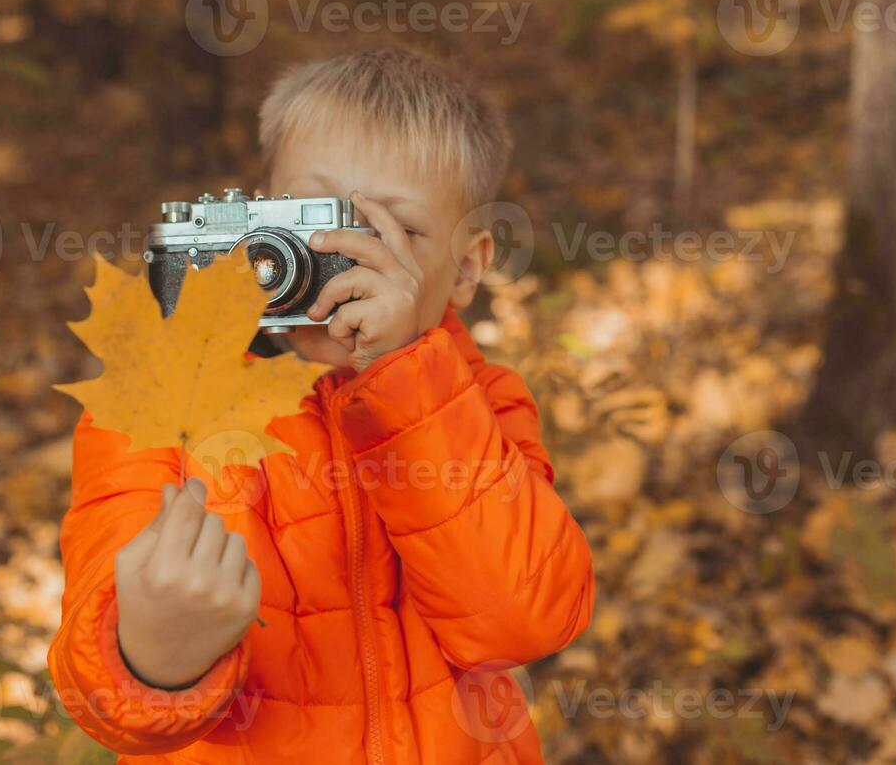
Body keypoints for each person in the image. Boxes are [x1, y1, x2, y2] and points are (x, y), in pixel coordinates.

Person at [50, 47, 595, 763]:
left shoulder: (480, 405)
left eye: (396, 234)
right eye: (315, 220)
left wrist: (407, 380)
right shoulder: (161, 398)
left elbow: (524, 622)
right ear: (258, 219)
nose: (346, 259)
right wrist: (153, 654)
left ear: (467, 267)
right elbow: (100, 685)